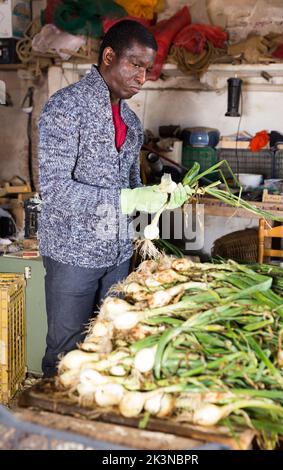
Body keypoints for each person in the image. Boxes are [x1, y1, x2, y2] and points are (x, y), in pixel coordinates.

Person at [38, 20, 191, 377]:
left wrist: (155, 206)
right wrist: (127, 199)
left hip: (118, 256)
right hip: (72, 256)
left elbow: (133, 188)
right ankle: (58, 429)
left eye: (147, 69)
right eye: (135, 65)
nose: (142, 77)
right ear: (109, 56)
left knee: (111, 351)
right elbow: (56, 191)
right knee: (66, 356)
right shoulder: (65, 109)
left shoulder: (133, 123)